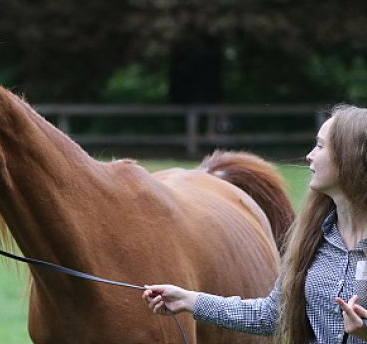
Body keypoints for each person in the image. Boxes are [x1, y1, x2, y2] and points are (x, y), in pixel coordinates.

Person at [142, 104, 367, 343]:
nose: (309, 155)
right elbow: (271, 315)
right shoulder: (312, 240)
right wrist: (188, 300)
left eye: (320, 146)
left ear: (350, 157)